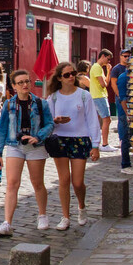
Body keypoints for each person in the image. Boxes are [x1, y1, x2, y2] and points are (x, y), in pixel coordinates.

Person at [0, 69, 54, 236]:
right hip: (15, 145)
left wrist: (38, 136)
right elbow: (2, 129)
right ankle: (7, 223)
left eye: (27, 81)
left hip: (36, 146)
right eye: (21, 83)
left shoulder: (41, 103)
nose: (25, 85)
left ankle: (42, 215)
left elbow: (49, 124)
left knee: (37, 183)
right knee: (12, 183)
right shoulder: (9, 104)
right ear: (14, 86)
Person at [45, 62, 100, 230]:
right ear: (60, 78)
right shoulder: (53, 97)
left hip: (80, 139)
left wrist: (96, 144)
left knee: (77, 182)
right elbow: (47, 121)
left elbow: (92, 120)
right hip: (60, 139)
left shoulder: (84, 95)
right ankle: (65, 217)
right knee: (64, 180)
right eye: (67, 74)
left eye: (73, 73)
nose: (71, 77)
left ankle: (81, 206)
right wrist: (55, 121)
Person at [110, 49, 133, 174]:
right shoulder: (117, 70)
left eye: (129, 56)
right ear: (120, 57)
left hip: (129, 101)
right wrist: (120, 97)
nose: (127, 58)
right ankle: (125, 163)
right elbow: (113, 84)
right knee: (124, 128)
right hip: (122, 101)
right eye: (125, 56)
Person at [89, 49, 116, 152]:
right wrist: (106, 75)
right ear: (103, 56)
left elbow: (106, 83)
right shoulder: (97, 67)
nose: (108, 62)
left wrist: (108, 71)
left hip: (99, 95)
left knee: (99, 120)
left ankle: (97, 143)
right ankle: (104, 144)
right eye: (108, 59)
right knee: (106, 119)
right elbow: (103, 84)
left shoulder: (99, 68)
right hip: (99, 96)